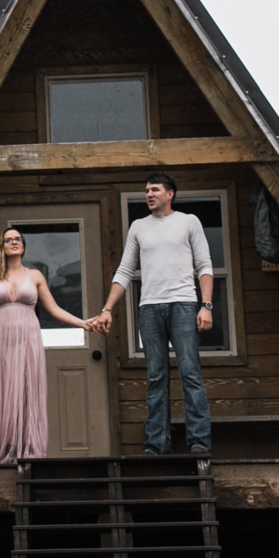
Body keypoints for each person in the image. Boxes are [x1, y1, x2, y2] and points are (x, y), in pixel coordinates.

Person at [86, 172, 215, 456]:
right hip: (149, 309)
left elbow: (205, 266)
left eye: (155, 190)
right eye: (146, 190)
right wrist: (107, 309)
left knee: (190, 374)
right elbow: (124, 270)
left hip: (183, 304)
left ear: (170, 194)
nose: (149, 194)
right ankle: (156, 445)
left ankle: (198, 444)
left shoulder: (188, 221)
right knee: (156, 378)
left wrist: (206, 306)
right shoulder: (138, 227)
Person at [0, 226, 91, 463]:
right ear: (2, 247)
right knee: (4, 389)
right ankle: (6, 446)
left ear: (24, 245)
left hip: (28, 340)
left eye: (18, 239)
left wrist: (83, 323)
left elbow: (53, 309)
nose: (14, 242)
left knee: (26, 389)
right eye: (8, 239)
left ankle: (28, 447)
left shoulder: (36, 276)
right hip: (0, 341)